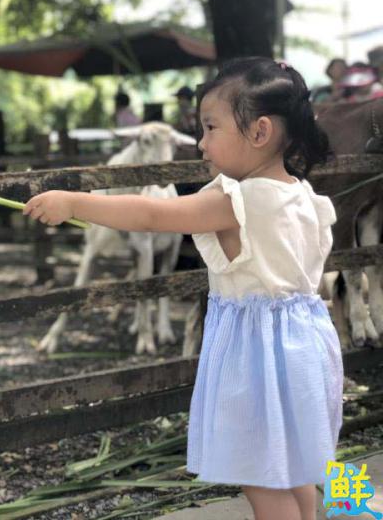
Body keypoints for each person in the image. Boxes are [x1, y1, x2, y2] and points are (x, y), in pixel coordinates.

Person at [24, 57, 340, 520]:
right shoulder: (305, 196)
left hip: (260, 357)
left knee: (260, 476)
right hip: (307, 347)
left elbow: (153, 215)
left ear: (260, 132)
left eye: (211, 128)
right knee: (295, 465)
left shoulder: (238, 199)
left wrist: (74, 201)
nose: (201, 142)